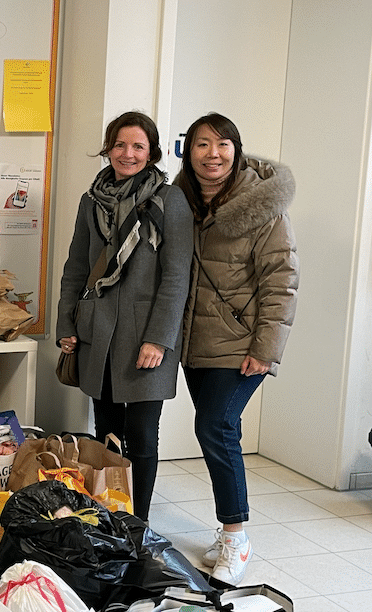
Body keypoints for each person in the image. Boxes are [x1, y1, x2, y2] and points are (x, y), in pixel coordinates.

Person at [174, 113, 299, 584]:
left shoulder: (262, 206)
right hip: (195, 342)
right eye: (203, 144)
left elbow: (282, 281)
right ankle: (228, 526)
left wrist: (266, 348)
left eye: (223, 144)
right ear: (188, 151)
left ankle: (236, 535)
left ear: (237, 149)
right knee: (214, 430)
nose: (213, 153)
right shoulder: (181, 200)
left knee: (216, 426)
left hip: (243, 343)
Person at [56, 111, 192, 522]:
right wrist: (67, 325)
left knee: (142, 436)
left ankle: (140, 522)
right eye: (119, 145)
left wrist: (159, 339)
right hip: (98, 332)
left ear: (151, 153)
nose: (127, 154)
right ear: (108, 148)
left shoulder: (170, 201)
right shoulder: (90, 200)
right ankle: (111, 513)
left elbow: (177, 277)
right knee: (107, 434)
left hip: (146, 337)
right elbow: (76, 268)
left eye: (137, 146)